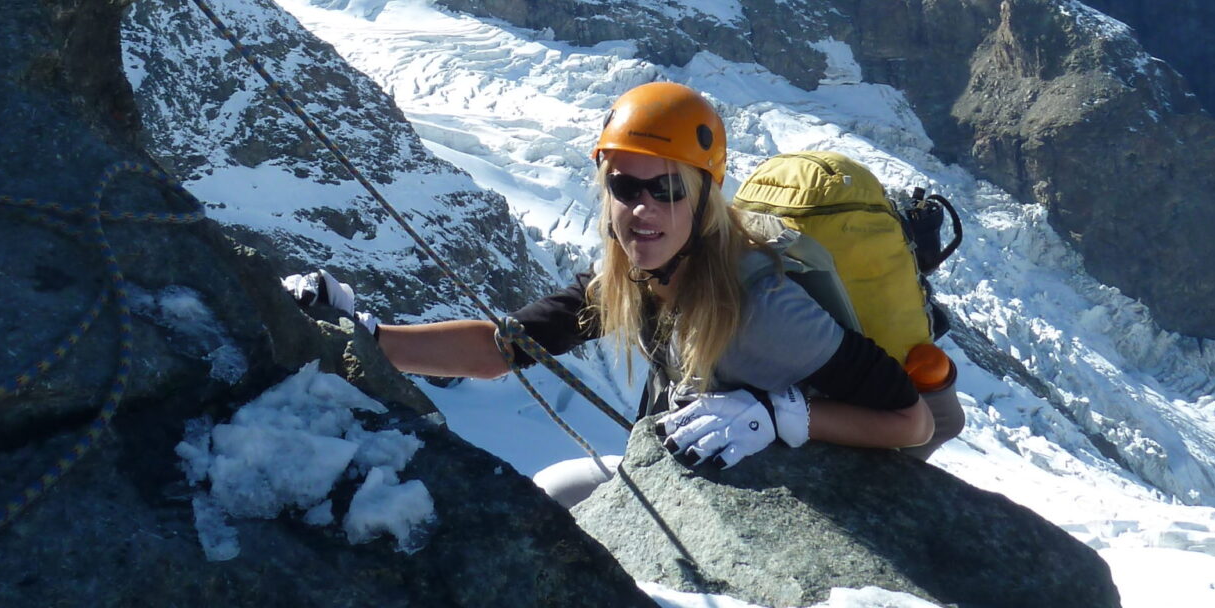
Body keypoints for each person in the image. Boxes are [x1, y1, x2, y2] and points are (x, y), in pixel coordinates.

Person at [360, 81, 934, 506]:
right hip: (691, 483)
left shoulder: (762, 308)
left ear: (702, 199)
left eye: (666, 189)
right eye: (624, 186)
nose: (642, 209)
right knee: (553, 495)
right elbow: (501, 349)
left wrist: (778, 414)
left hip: (802, 502)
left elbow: (912, 423)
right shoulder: (635, 278)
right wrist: (369, 338)